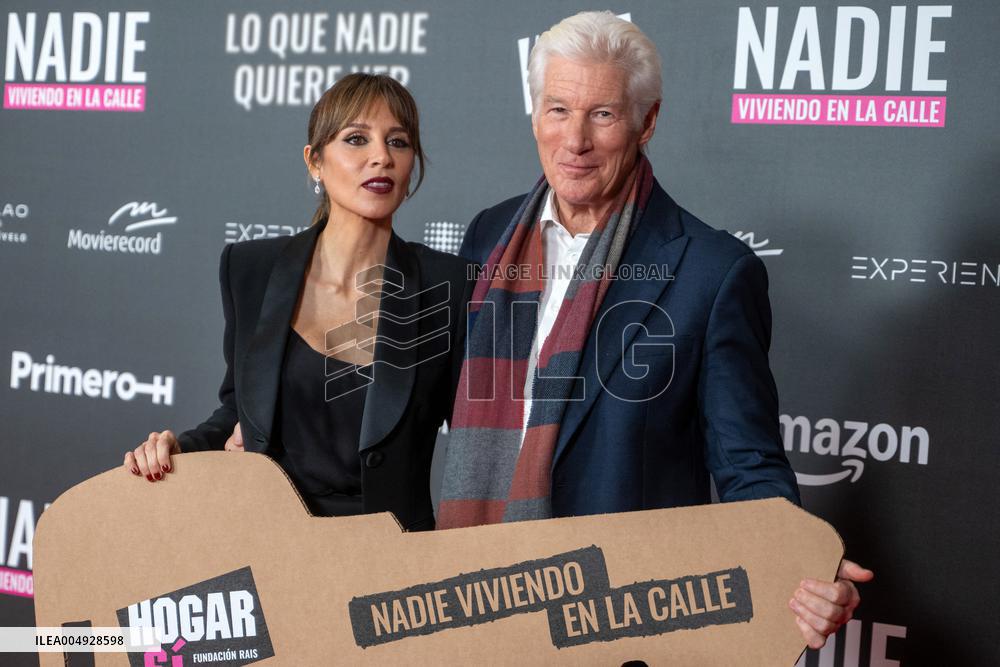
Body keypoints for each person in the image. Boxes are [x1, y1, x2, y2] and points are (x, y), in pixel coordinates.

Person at [437, 11, 872, 648]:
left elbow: (746, 460)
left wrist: (800, 558)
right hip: (466, 599)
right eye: (557, 109)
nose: (575, 140)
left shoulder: (712, 271)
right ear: (534, 113)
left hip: (617, 624)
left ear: (649, 122)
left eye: (603, 115)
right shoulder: (489, 237)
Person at [124, 73, 468, 531]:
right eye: (356, 139)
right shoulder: (250, 270)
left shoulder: (449, 285)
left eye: (399, 142)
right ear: (315, 162)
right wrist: (178, 448)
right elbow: (238, 411)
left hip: (393, 560)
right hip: (270, 546)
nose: (381, 157)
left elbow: (478, 439)